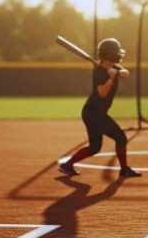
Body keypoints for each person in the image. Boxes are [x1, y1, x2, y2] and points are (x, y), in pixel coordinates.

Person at [58, 38, 142, 178]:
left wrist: (118, 73)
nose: (118, 55)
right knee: (120, 137)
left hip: (93, 113)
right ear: (109, 54)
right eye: (115, 52)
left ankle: (67, 165)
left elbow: (126, 73)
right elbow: (102, 93)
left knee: (95, 148)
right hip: (93, 113)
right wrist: (110, 78)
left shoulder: (112, 68)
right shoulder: (99, 72)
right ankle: (124, 169)